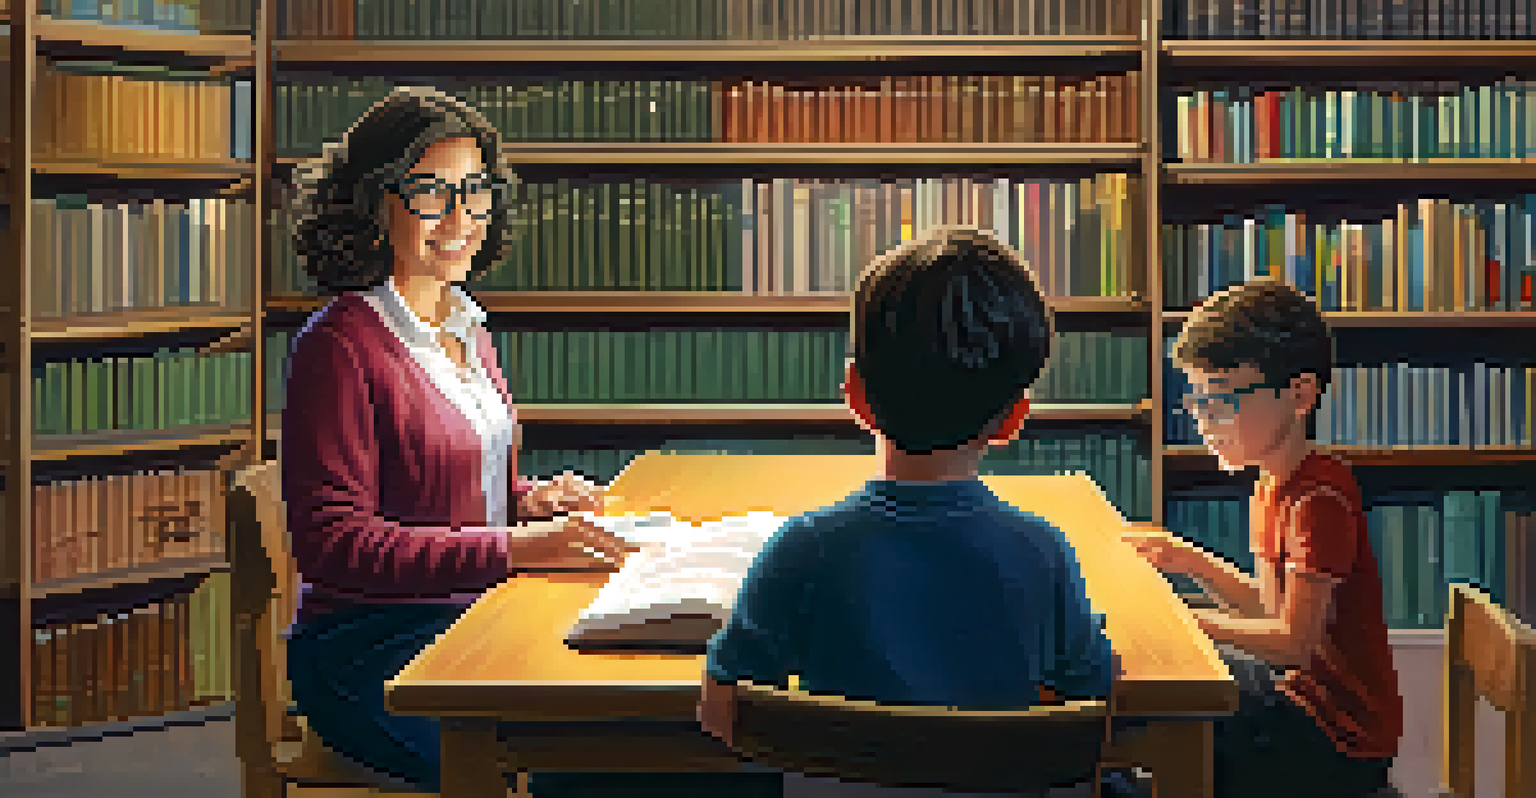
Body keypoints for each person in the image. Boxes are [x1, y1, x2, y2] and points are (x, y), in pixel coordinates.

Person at [281, 86, 637, 794]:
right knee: (558, 767)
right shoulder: (338, 345)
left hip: (468, 613)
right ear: (374, 201)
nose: (460, 219)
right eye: (429, 193)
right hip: (370, 646)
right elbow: (335, 544)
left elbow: (444, 495)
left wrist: (529, 502)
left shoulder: (464, 326)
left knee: (621, 739)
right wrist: (516, 546)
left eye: (475, 193)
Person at [698, 226, 1139, 796]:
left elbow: (723, 711)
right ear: (1013, 420)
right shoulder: (1042, 551)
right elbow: (1093, 701)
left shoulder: (803, 547)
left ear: (855, 398)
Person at [1124, 277, 1402, 798]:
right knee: (1185, 694)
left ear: (1299, 395)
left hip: (1337, 741)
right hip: (1301, 707)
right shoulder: (1273, 482)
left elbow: (1293, 643)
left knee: (1183, 710)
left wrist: (1184, 621)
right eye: (1199, 402)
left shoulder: (1318, 499)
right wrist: (1193, 563)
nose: (1207, 423)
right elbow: (1271, 608)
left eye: (1224, 400)